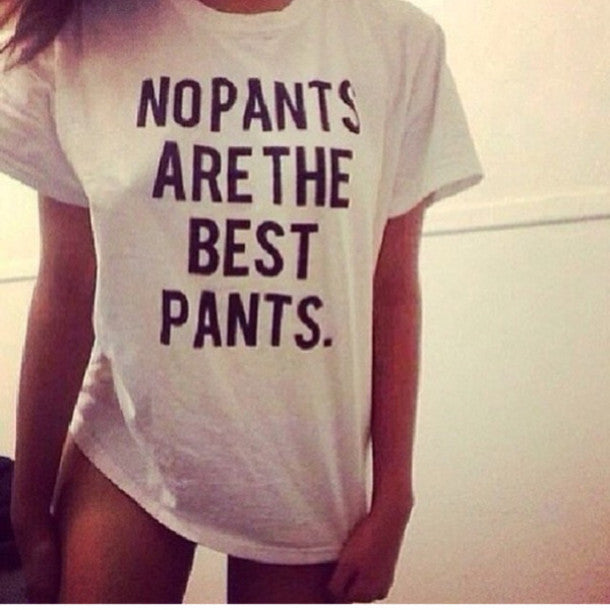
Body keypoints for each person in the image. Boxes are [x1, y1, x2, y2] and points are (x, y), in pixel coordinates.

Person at [0, 0, 482, 603]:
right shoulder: (85, 37)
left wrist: (393, 496)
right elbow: (67, 287)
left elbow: (392, 294)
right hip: (130, 443)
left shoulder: (398, 42)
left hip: (306, 459)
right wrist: (28, 504)